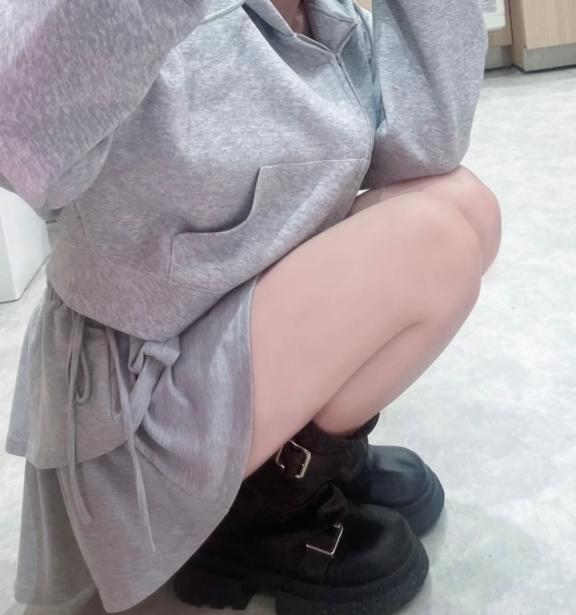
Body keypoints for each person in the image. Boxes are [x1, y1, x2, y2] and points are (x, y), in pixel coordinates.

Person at [0, 0, 500, 613]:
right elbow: (17, 136)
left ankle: (297, 464)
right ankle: (250, 520)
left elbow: (419, 152)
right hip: (145, 393)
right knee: (433, 242)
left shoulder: (324, 12)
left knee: (465, 205)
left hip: (233, 322)